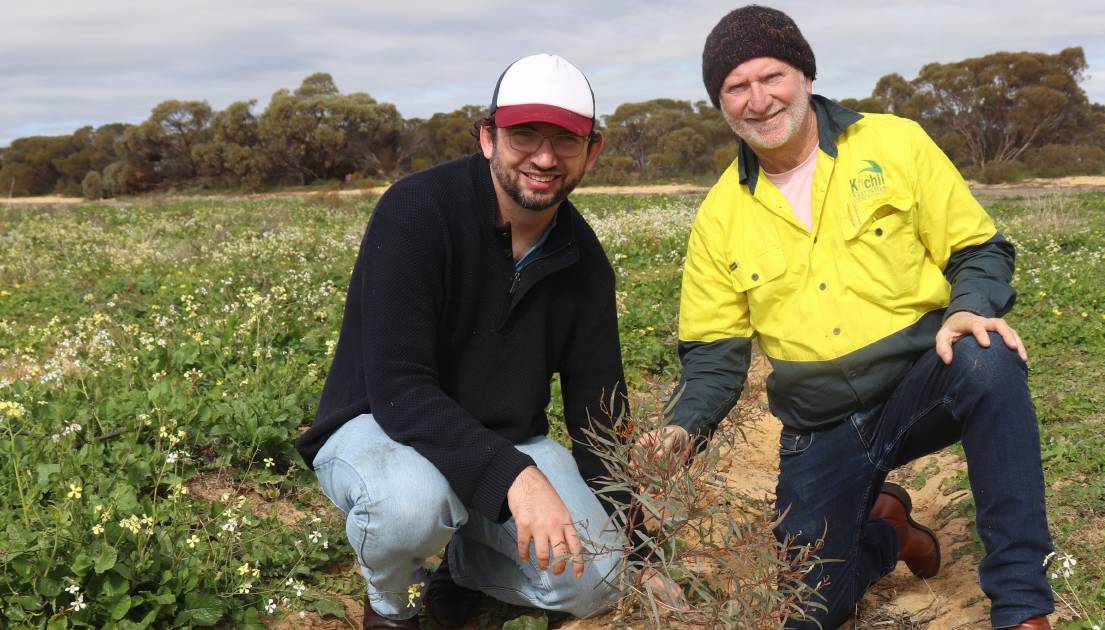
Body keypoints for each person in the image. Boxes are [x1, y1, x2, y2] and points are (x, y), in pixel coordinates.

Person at [638, 6, 1055, 630]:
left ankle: (1023, 606)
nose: (758, 100)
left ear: (805, 75)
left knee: (988, 356)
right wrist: (679, 432)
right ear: (720, 105)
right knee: (806, 611)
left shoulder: (895, 143)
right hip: (822, 423)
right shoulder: (720, 215)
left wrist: (968, 309)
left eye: (772, 75)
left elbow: (980, 248)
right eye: (735, 87)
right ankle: (890, 532)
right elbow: (713, 360)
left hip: (922, 382)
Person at [295, 54, 632, 629]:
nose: (544, 158)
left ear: (591, 150)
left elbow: (598, 414)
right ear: (487, 138)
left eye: (565, 140)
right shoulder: (417, 210)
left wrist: (637, 544)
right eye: (524, 135)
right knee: (409, 508)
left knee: (599, 579)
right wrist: (516, 480)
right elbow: (400, 389)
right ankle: (391, 607)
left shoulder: (585, 262)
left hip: (502, 440)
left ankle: (465, 566)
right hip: (379, 424)